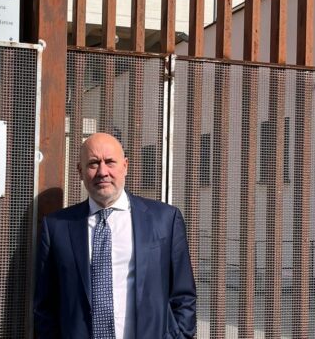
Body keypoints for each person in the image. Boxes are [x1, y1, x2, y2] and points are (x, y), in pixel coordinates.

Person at [34, 132, 196, 338]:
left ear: (125, 166)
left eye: (110, 162)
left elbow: (183, 294)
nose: (103, 172)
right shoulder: (57, 227)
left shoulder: (164, 220)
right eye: (93, 164)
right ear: (80, 171)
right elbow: (45, 304)